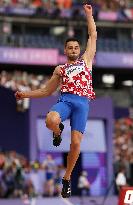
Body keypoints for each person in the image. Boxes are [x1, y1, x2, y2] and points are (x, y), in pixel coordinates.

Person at [15, 4, 97, 198]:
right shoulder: (60, 69)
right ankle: (57, 132)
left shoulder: (86, 60)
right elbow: (46, 90)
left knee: (76, 144)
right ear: (65, 50)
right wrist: (24, 94)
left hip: (82, 103)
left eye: (76, 47)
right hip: (66, 101)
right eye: (71, 47)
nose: (74, 49)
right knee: (51, 121)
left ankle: (67, 179)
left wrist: (89, 15)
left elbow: (93, 35)